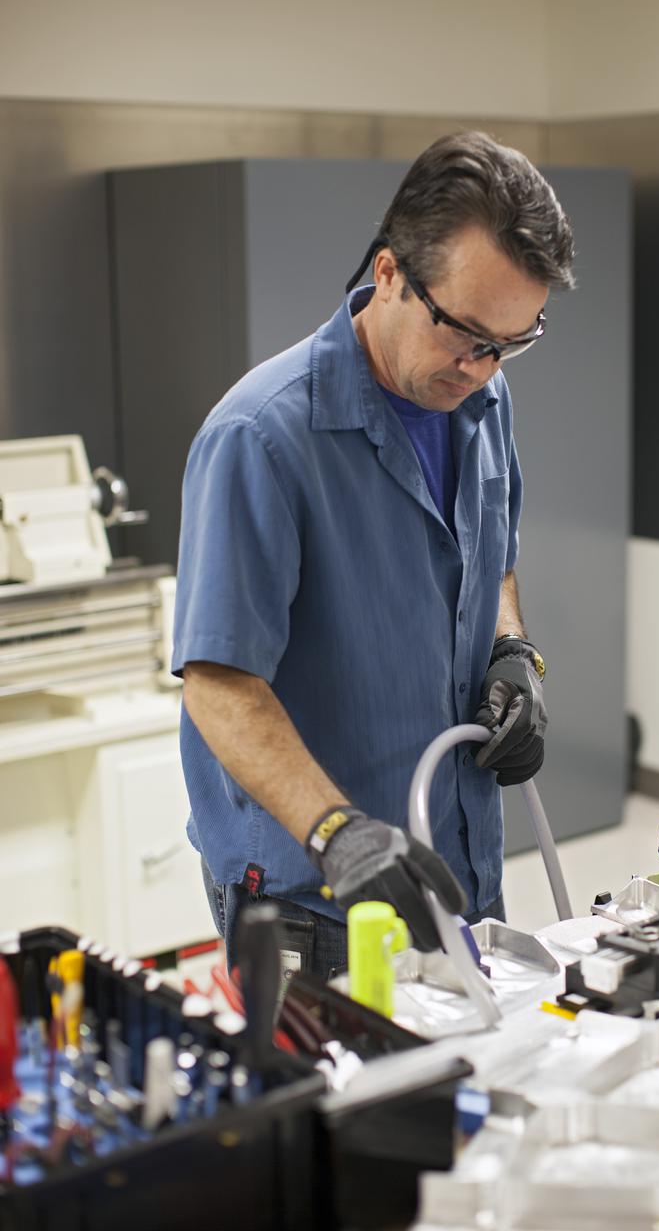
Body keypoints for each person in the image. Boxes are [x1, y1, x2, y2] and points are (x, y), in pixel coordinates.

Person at [172, 131, 575, 978]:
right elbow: (217, 683)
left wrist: (511, 650)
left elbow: (491, 556)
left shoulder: (482, 401)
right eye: (465, 332)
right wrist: (337, 831)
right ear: (389, 273)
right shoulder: (262, 437)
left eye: (511, 342)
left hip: (460, 861)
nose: (481, 367)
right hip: (317, 897)